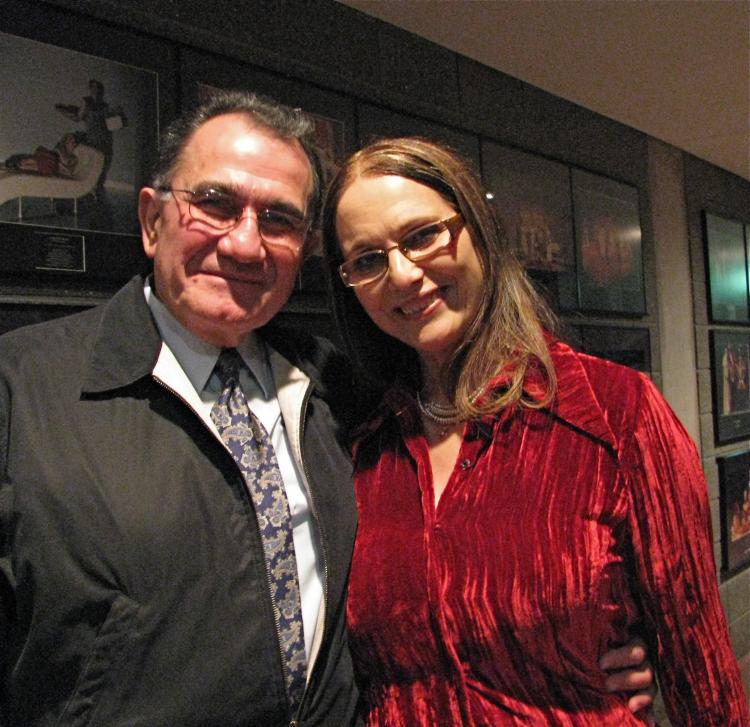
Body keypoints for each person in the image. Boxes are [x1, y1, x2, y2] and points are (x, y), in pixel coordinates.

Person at [0, 93, 653, 726]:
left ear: (306, 250)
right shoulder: (22, 388)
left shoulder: (342, 389)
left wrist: (574, 649)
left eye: (278, 220)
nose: (246, 244)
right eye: (215, 204)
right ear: (151, 220)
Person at [321, 136, 750, 725]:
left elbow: (701, 669)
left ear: (478, 232)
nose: (401, 274)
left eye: (422, 236)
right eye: (368, 260)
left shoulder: (615, 413)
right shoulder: (363, 442)